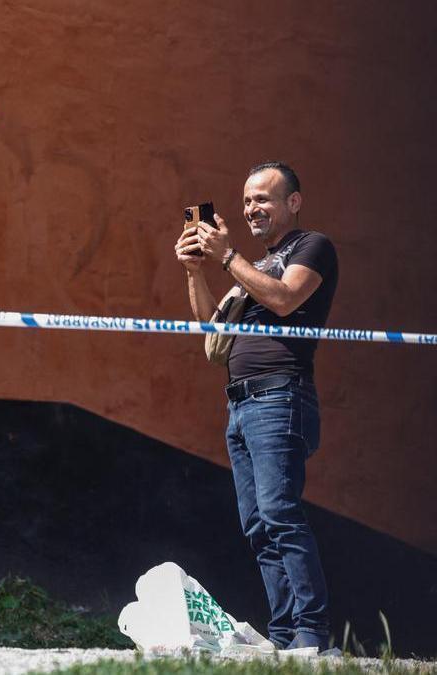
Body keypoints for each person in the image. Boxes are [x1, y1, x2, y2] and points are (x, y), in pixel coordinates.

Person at [175, 162, 338, 650]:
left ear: (294, 202)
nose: (252, 209)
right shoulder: (255, 263)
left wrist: (228, 257)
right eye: (247, 201)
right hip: (240, 405)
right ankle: (286, 634)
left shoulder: (311, 247)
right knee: (258, 526)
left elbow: (286, 299)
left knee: (280, 513)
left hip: (279, 396)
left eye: (263, 199)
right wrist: (194, 270)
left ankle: (312, 633)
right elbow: (211, 324)